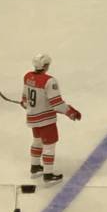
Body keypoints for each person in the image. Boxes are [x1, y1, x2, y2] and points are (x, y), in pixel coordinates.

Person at [22, 53, 82, 183]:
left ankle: (35, 167)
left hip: (32, 118)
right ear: (45, 66)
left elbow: (24, 99)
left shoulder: (27, 77)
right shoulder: (49, 81)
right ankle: (48, 175)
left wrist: (25, 104)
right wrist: (71, 112)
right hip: (46, 119)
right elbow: (57, 104)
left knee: (37, 141)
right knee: (49, 145)